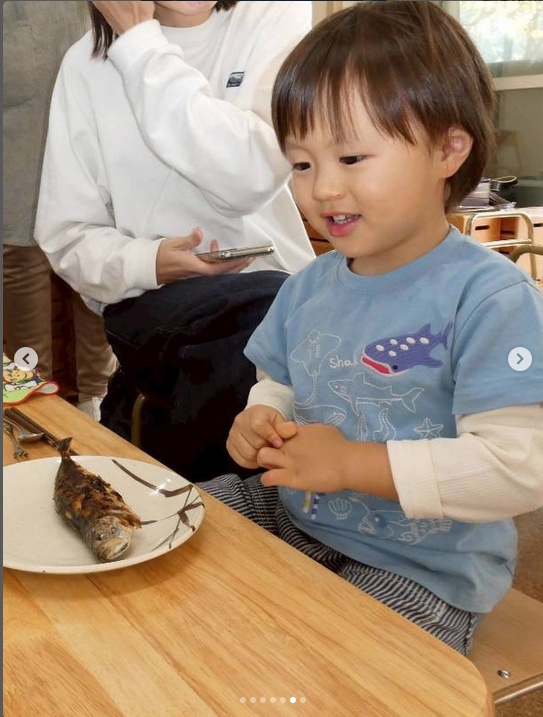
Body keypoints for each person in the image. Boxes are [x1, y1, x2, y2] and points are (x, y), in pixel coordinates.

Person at [201, 0, 543, 654]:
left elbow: (518, 468)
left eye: (352, 157)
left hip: (422, 563)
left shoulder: (489, 298)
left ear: (447, 149)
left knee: (341, 663)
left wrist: (353, 464)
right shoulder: (307, 285)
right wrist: (262, 417)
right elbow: (280, 379)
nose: (323, 189)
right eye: (302, 164)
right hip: (294, 512)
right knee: (170, 523)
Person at [35, 1, 315, 479]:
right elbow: (67, 236)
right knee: (262, 340)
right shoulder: (86, 64)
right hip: (158, 300)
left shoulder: (271, 15)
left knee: (298, 334)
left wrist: (141, 45)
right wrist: (151, 261)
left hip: (287, 291)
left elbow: (250, 174)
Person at [3, 0, 116, 420]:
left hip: (96, 169)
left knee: (97, 272)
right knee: (24, 274)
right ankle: (34, 410)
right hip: (19, 172)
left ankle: (99, 405)